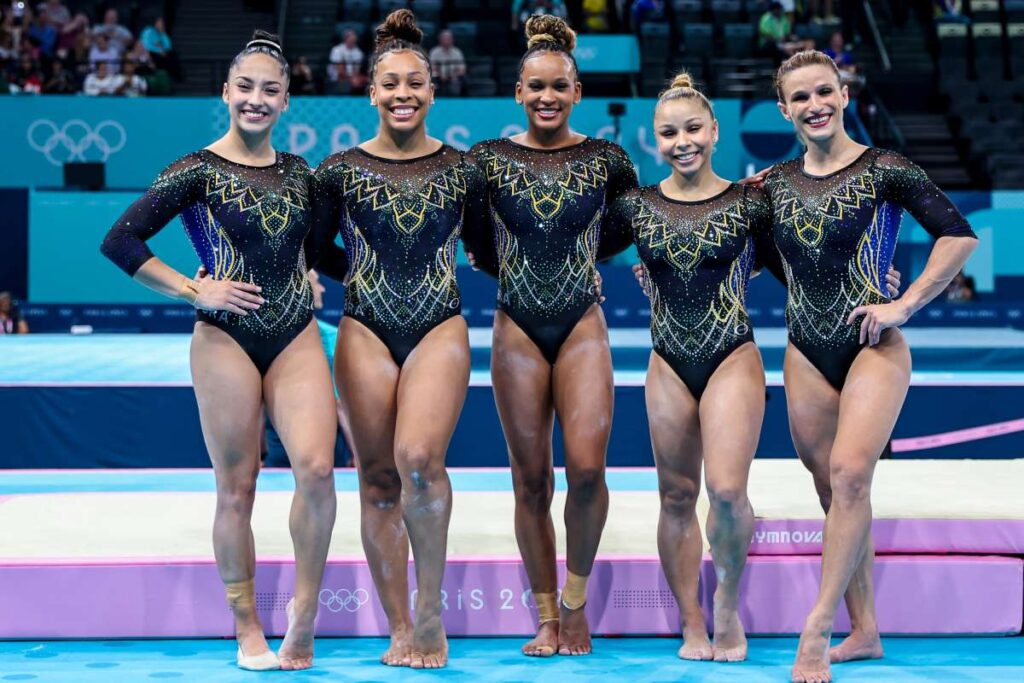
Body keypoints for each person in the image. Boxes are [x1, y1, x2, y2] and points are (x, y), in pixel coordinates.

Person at [100, 30, 339, 672]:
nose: (256, 100)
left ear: (287, 101)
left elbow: (327, 254)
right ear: (225, 92)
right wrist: (191, 287)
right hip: (224, 338)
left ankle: (304, 617)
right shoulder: (196, 170)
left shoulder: (301, 175)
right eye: (246, 88)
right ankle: (246, 627)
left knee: (316, 468)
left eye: (270, 90)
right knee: (238, 485)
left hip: (294, 334)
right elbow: (122, 241)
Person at [762, 51, 978, 683]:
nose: (815, 105)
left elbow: (958, 234)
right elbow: (741, 249)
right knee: (834, 492)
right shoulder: (772, 183)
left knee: (851, 475)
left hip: (872, 346)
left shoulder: (885, 169)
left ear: (844, 93)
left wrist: (905, 303)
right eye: (801, 98)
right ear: (785, 109)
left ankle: (818, 627)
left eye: (824, 91)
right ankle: (867, 630)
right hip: (805, 348)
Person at [311, 8, 482, 670]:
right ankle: (399, 622)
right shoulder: (338, 172)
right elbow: (311, 247)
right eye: (391, 84)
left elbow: (496, 246)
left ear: (433, 92)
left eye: (416, 83)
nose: (403, 93)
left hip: (439, 320)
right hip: (364, 327)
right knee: (377, 477)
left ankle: (432, 605)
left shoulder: (466, 171)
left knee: (418, 458)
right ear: (371, 92)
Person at [463, 15, 638, 658]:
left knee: (588, 470)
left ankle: (575, 601)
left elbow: (626, 228)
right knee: (530, 480)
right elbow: (476, 243)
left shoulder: (607, 160)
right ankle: (544, 615)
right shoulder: (489, 161)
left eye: (559, 86)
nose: (547, 97)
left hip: (581, 323)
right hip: (516, 325)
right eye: (535, 86)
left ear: (577, 91)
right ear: (517, 92)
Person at [604, 71, 776, 664]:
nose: (683, 141)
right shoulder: (637, 205)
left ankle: (727, 604)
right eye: (669, 132)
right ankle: (692, 621)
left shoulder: (751, 200)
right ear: (655, 139)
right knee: (676, 496)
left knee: (726, 491)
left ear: (715, 130)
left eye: (694, 128)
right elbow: (574, 245)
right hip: (668, 359)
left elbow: (804, 261)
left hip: (732, 353)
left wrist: (876, 280)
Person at [327, 28, 365, 94]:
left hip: (352, 78)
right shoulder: (337, 50)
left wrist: (354, 78)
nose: (352, 39)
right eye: (350, 37)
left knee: (366, 80)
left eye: (353, 37)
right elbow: (340, 71)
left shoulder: (358, 52)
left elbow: (356, 71)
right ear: (345, 38)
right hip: (337, 77)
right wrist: (351, 80)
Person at [428, 29, 465, 96]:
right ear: (440, 40)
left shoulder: (457, 52)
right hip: (439, 77)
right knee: (432, 78)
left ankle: (457, 99)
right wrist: (441, 75)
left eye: (448, 39)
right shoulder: (434, 52)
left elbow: (462, 69)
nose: (446, 41)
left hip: (454, 77)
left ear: (452, 40)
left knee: (461, 81)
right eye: (444, 39)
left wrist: (454, 76)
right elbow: (431, 67)